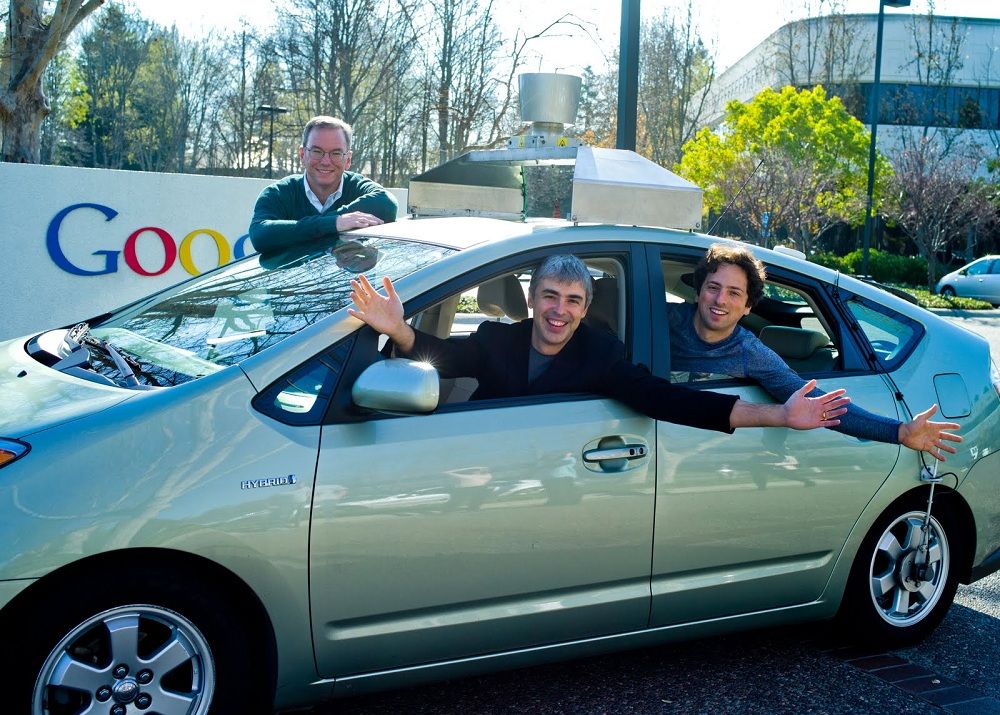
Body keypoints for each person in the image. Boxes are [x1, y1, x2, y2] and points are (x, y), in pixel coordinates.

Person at [348, 254, 852, 434]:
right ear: (532, 297)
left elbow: (670, 400)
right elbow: (444, 356)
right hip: (493, 464)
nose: (558, 310)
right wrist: (396, 328)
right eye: (549, 296)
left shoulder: (601, 355)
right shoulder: (495, 339)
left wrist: (781, 415)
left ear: (586, 308)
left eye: (572, 300)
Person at [667, 243, 961, 460]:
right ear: (698, 291)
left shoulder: (750, 353)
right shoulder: (660, 320)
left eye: (734, 293)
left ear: (747, 307)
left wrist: (900, 432)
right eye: (713, 287)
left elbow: (820, 404)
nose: (720, 300)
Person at [249, 116, 398, 254]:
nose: (326, 161)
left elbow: (387, 204)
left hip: (352, 281)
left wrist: (311, 228)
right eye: (317, 151)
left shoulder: (357, 187)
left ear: (348, 159)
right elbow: (260, 234)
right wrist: (335, 223)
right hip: (294, 282)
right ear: (302, 155)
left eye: (336, 153)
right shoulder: (279, 193)